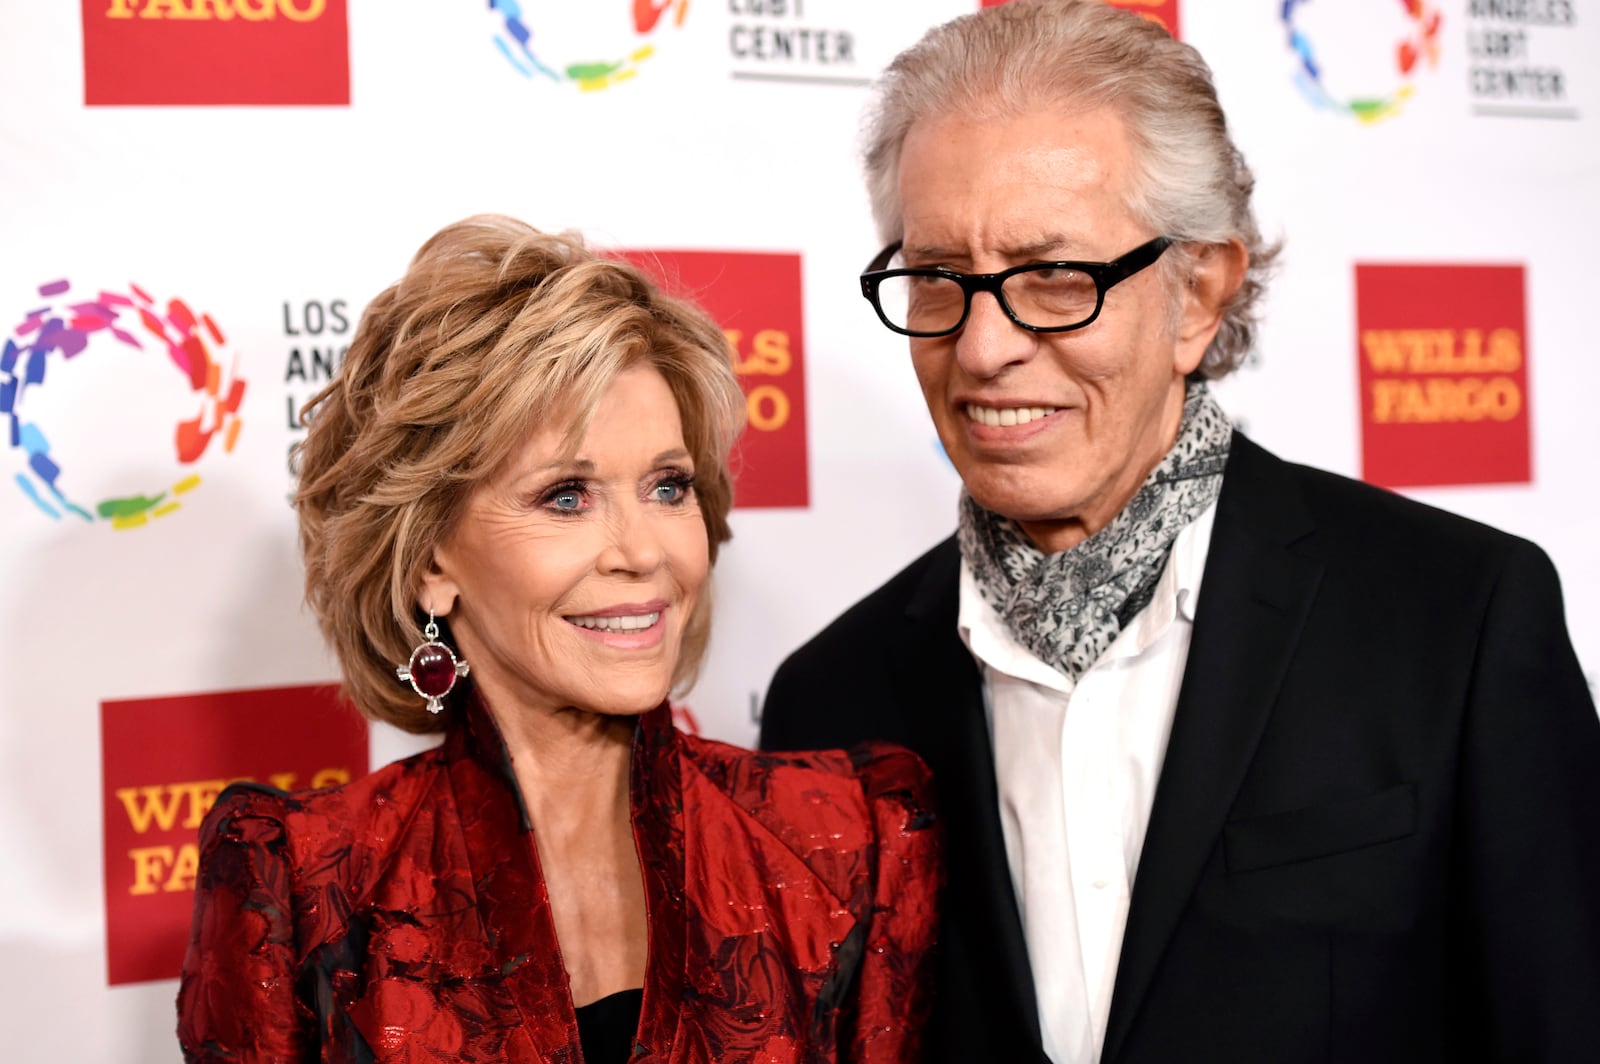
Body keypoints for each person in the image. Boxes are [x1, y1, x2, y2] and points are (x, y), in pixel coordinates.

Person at [759, 4, 1600, 1063]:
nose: (980, 348)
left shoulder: (1454, 620)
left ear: (1196, 294)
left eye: (1052, 276)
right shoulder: (831, 699)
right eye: (937, 277)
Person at [176, 215, 939, 1063]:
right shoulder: (303, 886)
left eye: (667, 485)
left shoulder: (846, 839)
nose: (645, 551)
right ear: (431, 560)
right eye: (567, 496)